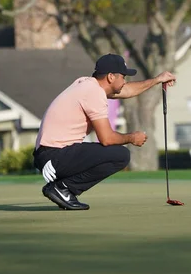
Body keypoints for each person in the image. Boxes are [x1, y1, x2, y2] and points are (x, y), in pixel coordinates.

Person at [33, 53, 176, 211]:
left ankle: (62, 188)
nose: (124, 81)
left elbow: (127, 90)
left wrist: (157, 80)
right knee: (120, 155)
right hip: (53, 156)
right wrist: (132, 138)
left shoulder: (88, 85)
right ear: (111, 77)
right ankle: (63, 188)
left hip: (53, 154)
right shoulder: (93, 93)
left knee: (115, 153)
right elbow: (106, 139)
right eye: (123, 76)